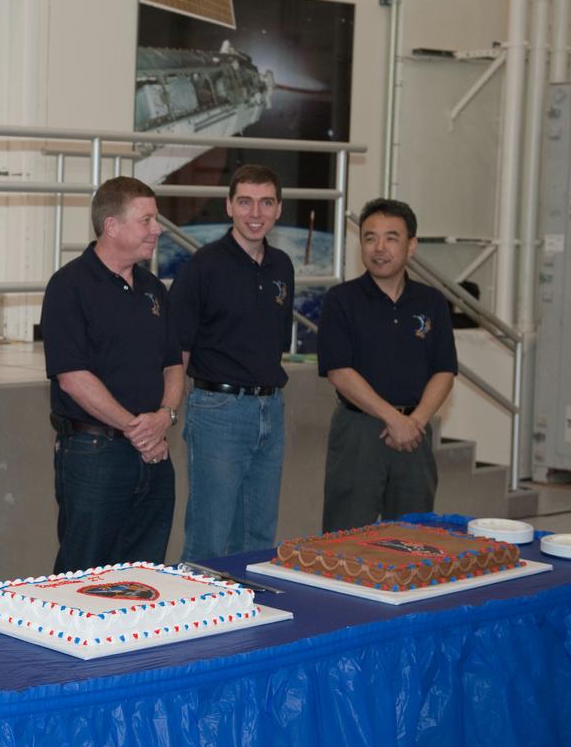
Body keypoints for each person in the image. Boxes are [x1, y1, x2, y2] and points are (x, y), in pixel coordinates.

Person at [40, 176, 184, 573]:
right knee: (83, 575)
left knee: (145, 575)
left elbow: (173, 364)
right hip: (95, 454)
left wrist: (165, 416)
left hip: (154, 452)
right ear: (112, 226)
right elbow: (72, 377)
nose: (157, 230)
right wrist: (137, 430)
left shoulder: (154, 289)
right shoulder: (69, 286)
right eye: (146, 220)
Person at [169, 164, 294, 560]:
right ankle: (199, 601)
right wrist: (168, 410)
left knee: (259, 536)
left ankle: (250, 602)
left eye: (266, 202)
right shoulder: (203, 266)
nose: (255, 213)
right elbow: (177, 350)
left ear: (278, 209)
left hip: (271, 409)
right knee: (210, 537)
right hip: (218, 411)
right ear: (228, 206)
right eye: (245, 202)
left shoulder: (282, 267)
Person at [318, 198, 458, 531]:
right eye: (370, 238)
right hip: (359, 432)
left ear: (411, 245)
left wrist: (415, 421)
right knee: (345, 536)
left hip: (415, 433)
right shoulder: (341, 300)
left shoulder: (432, 302)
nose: (379, 248)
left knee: (413, 536)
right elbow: (339, 371)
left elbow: (444, 371)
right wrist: (393, 419)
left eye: (391, 238)